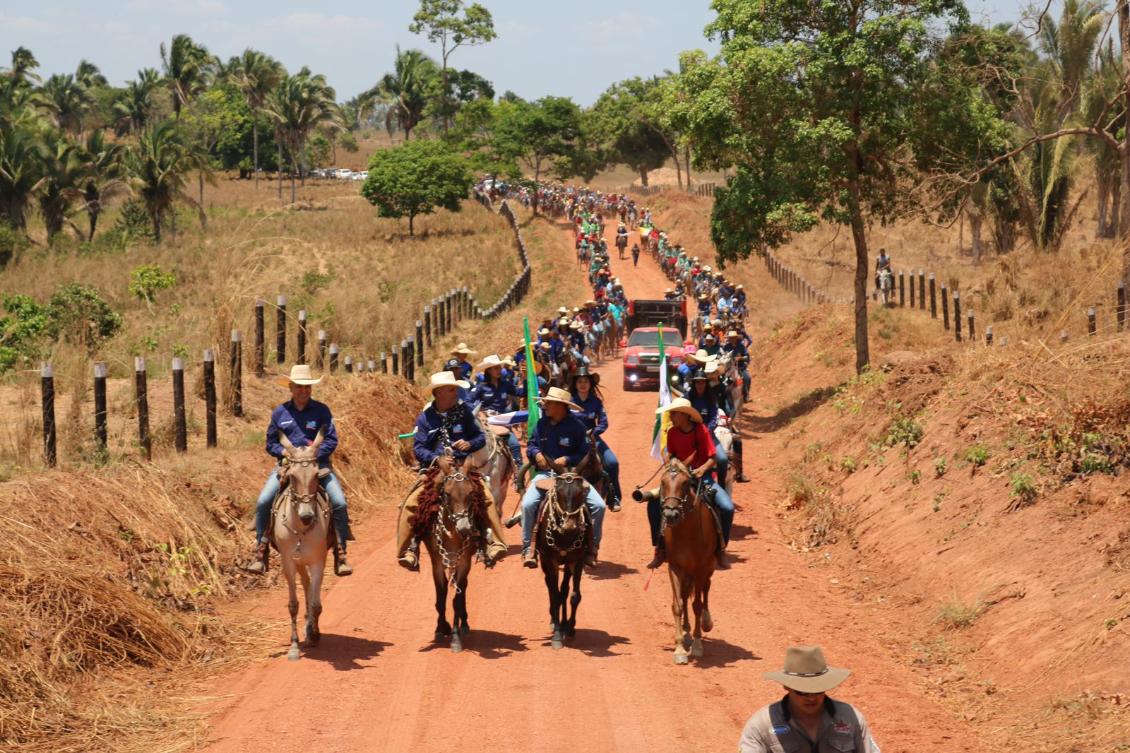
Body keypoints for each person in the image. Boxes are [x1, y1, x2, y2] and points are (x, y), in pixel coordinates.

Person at [246, 364, 354, 577]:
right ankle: (261, 550)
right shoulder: (280, 412)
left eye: (307, 387)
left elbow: (331, 439)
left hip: (318, 465)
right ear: (291, 388)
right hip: (287, 467)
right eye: (298, 387)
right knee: (263, 501)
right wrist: (286, 455)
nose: (303, 391)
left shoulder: (322, 411)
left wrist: (314, 454)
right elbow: (270, 443)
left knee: (339, 502)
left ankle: (340, 553)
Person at [395, 371, 508, 570]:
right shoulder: (425, 418)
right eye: (451, 389)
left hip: (464, 468)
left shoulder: (464, 413)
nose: (455, 393)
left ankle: (493, 542)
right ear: (438, 393)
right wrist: (436, 459)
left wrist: (469, 443)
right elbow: (418, 448)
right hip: (435, 471)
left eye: (455, 389)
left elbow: (480, 438)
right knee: (412, 502)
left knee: (487, 497)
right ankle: (409, 548)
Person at [638, 397, 733, 569]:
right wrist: (669, 459)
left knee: (727, 508)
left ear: (684, 415)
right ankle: (660, 549)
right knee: (653, 504)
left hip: (701, 478)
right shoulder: (673, 432)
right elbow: (672, 454)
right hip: (679, 478)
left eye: (673, 413)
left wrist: (702, 470)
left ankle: (721, 549)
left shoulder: (701, 431)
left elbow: (712, 457)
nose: (671, 416)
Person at [518, 387, 607, 568]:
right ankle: (529, 548)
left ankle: (592, 548)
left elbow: (585, 452)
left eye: (549, 403)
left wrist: (568, 459)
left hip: (572, 475)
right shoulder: (542, 424)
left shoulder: (577, 427)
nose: (545, 405)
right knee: (528, 504)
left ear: (561, 406)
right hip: (545, 474)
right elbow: (531, 445)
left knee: (599, 506)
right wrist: (536, 454)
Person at [738, 646, 881, 753]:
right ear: (786, 686)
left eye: (818, 689)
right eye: (802, 691)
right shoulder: (761, 725)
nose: (812, 697)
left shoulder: (850, 717)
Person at [569, 367, 622, 511]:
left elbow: (604, 423)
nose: (582, 384)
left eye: (585, 381)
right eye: (579, 381)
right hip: (573, 440)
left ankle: (614, 497)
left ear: (590, 384)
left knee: (612, 463)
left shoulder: (596, 402)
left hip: (593, 439)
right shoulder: (568, 401)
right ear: (575, 384)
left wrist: (594, 432)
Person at [469, 354, 523, 477]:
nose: (499, 370)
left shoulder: (505, 384)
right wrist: (480, 414)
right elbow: (468, 402)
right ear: (488, 370)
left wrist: (526, 378)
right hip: (486, 421)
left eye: (499, 367)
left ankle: (518, 473)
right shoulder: (481, 387)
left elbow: (520, 392)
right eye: (495, 368)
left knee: (514, 444)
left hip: (502, 420)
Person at [688, 369, 730, 486]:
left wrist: (706, 431)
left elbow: (713, 418)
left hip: (708, 435)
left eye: (702, 382)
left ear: (706, 383)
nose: (700, 385)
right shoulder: (688, 397)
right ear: (694, 383)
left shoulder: (711, 398)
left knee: (722, 460)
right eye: (697, 382)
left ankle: (721, 485)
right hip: (690, 435)